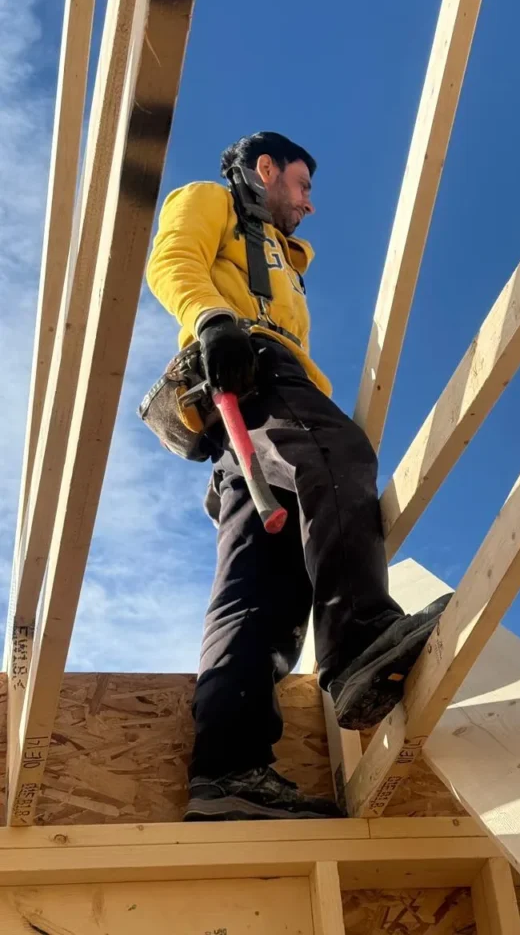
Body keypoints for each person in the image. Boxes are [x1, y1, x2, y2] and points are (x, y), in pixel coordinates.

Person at [146, 132, 450, 821]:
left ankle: (228, 772)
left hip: (238, 428)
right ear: (265, 169)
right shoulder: (210, 202)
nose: (309, 204)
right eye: (303, 186)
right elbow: (171, 260)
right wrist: (214, 321)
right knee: (337, 452)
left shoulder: (283, 258)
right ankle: (360, 640)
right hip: (250, 367)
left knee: (261, 593)